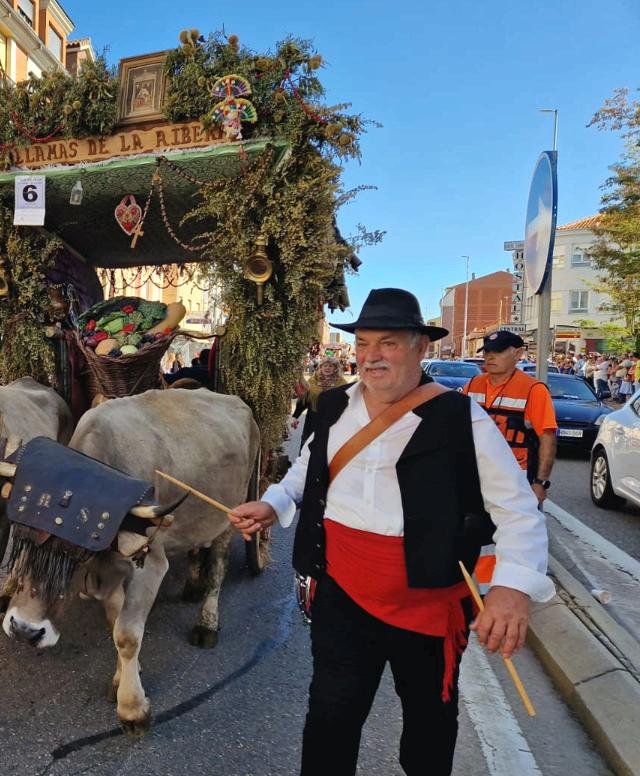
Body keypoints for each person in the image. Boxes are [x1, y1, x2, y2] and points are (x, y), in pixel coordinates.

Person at [228, 288, 552, 776]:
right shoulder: (334, 406)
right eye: (363, 343)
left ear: (422, 347)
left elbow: (519, 510)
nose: (371, 356)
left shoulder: (462, 417)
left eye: (388, 343)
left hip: (427, 605)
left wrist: (511, 589)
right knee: (330, 718)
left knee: (428, 726)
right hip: (342, 594)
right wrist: (275, 502)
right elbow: (308, 468)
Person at [463, 330, 557, 500]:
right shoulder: (472, 385)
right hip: (476, 476)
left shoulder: (533, 390)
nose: (490, 357)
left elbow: (547, 438)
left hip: (515, 480)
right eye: (487, 352)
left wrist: (541, 483)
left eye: (498, 352)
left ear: (518, 354)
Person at [292, 357, 348, 448]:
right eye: (325, 366)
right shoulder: (312, 381)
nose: (327, 368)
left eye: (330, 366)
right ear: (320, 367)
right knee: (307, 445)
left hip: (332, 420)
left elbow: (346, 402)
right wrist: (295, 416)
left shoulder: (341, 383)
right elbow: (304, 400)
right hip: (313, 419)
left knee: (327, 447)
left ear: (335, 368)